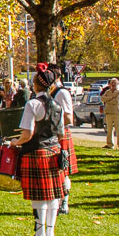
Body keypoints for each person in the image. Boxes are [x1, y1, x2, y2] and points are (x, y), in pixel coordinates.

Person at [12, 63, 66, 236]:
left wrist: (14, 142)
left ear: (36, 84)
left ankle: (40, 234)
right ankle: (50, 234)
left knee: (39, 196)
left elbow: (27, 134)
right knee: (53, 196)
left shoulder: (32, 104)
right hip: (54, 152)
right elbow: (61, 134)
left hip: (36, 152)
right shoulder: (58, 105)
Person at [50, 66, 78, 214]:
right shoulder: (51, 92)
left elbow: (68, 117)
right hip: (52, 133)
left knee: (63, 169)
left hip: (61, 133)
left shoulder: (62, 93)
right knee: (55, 169)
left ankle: (64, 203)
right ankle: (56, 200)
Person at [100, 78, 119, 149]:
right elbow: (102, 98)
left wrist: (108, 100)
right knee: (109, 129)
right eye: (112, 83)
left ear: (118, 84)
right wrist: (111, 97)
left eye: (115, 83)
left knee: (118, 129)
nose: (113, 84)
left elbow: (117, 101)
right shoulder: (108, 91)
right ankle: (110, 144)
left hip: (117, 112)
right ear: (110, 84)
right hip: (108, 112)